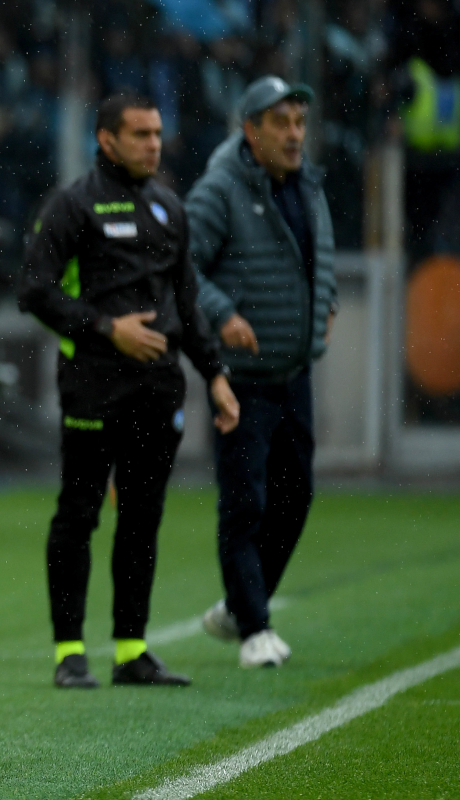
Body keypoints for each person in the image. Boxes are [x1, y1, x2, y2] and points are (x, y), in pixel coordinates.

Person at [18, 93, 240, 689]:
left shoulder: (170, 207)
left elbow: (187, 303)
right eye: (140, 134)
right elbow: (34, 290)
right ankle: (69, 652)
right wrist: (107, 328)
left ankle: (131, 651)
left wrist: (215, 374)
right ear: (106, 139)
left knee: (142, 517)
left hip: (159, 387)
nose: (153, 144)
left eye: (157, 133)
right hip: (92, 385)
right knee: (79, 514)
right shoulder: (72, 205)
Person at [186, 77, 337, 669]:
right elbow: (183, 267)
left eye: (300, 122)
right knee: (244, 503)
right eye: (282, 123)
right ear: (252, 131)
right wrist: (221, 314)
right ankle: (255, 630)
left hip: (293, 370)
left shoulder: (308, 187)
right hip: (241, 377)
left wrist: (325, 304)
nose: (295, 135)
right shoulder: (219, 191)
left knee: (295, 497)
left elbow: (317, 261)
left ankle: (239, 608)